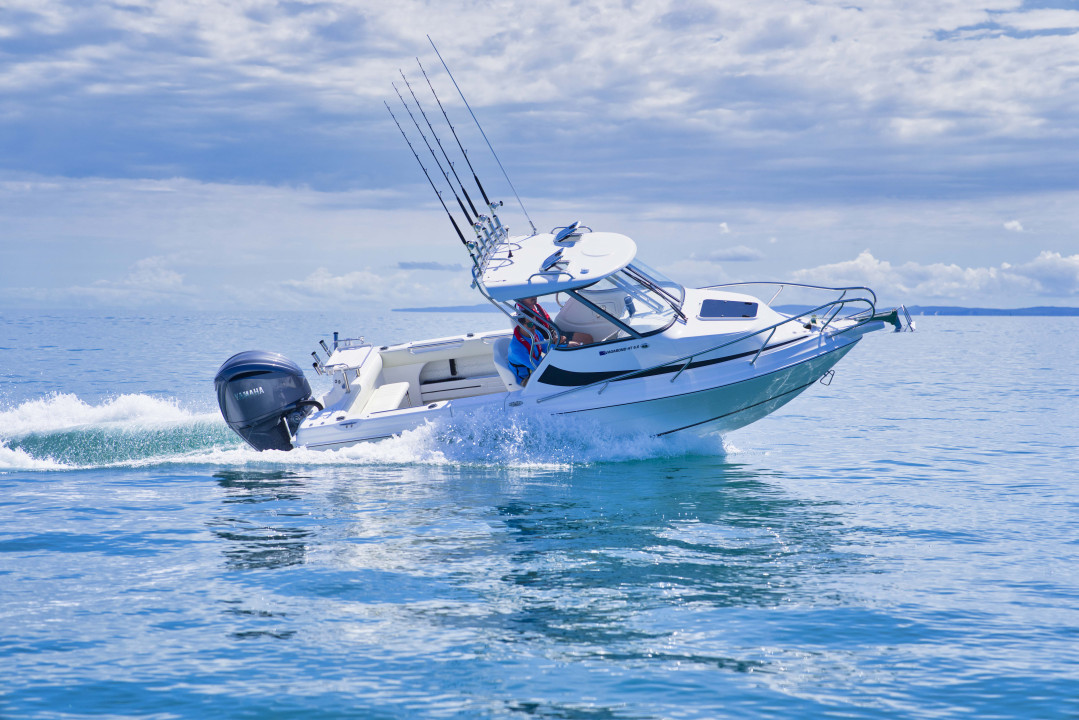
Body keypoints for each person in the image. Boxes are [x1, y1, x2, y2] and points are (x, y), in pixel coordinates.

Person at [506, 297, 593, 384]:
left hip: (538, 369)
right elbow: (538, 367)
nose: (533, 327)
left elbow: (547, 347)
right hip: (526, 379)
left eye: (535, 323)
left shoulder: (535, 333)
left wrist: (566, 346)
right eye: (530, 324)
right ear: (520, 325)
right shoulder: (516, 350)